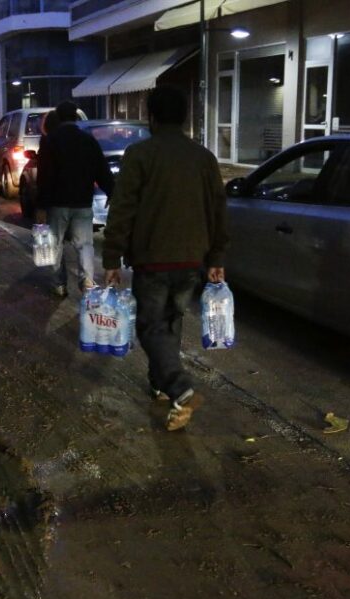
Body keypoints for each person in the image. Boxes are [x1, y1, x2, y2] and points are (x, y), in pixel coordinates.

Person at [102, 85, 229, 432]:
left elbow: (123, 210)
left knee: (150, 326)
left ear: (152, 117)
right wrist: (216, 255)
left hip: (153, 259)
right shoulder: (204, 158)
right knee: (170, 323)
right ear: (184, 117)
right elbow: (218, 209)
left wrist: (111, 257)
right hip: (192, 260)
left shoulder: (140, 154)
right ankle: (160, 385)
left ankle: (178, 386)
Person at [36, 101, 113, 298]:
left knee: (56, 244)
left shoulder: (50, 141)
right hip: (82, 202)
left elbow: (45, 176)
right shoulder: (88, 140)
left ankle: (60, 284)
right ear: (76, 118)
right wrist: (112, 192)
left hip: (58, 202)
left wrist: (41, 205)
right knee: (85, 245)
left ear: (59, 118)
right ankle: (87, 282)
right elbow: (101, 169)